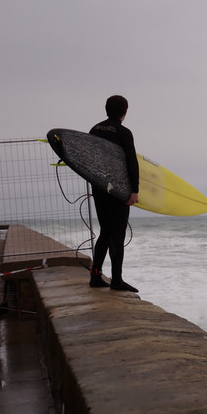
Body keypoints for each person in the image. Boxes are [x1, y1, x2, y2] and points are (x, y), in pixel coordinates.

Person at [88, 94, 140, 292]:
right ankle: (117, 280)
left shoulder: (94, 130)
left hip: (99, 187)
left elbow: (87, 160)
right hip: (118, 191)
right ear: (125, 112)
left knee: (105, 232)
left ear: (106, 109)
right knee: (117, 234)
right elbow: (131, 162)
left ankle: (95, 276)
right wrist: (134, 190)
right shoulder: (124, 132)